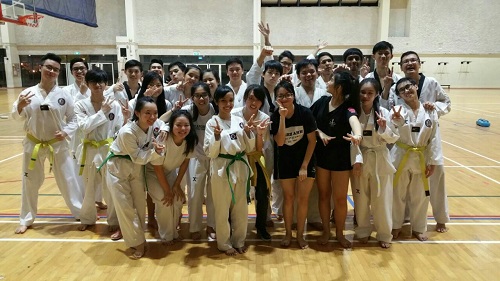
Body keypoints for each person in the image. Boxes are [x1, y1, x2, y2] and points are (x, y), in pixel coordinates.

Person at [11, 53, 83, 234]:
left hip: (57, 144)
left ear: (59, 72)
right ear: (41, 68)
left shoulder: (64, 95)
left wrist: (66, 131)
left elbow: (74, 119)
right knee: (29, 182)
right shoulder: (27, 93)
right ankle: (26, 219)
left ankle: (81, 213)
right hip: (33, 144)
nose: (52, 71)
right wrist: (19, 107)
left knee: (68, 179)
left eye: (56, 69)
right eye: (49, 67)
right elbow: (15, 116)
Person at [387, 51, 451, 233]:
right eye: (405, 61)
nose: (410, 63)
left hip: (427, 137)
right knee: (401, 188)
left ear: (419, 63)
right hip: (404, 141)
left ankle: (440, 218)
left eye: (413, 60)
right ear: (400, 66)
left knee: (433, 184)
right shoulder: (395, 87)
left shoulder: (431, 82)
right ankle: (400, 222)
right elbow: (392, 107)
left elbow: (446, 102)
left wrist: (434, 107)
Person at [105, 97, 165, 259]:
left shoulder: (154, 125)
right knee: (126, 208)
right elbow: (138, 157)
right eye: (147, 113)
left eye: (155, 113)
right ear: (137, 113)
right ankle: (137, 243)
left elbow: (164, 123)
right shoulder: (127, 132)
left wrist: (164, 131)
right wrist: (155, 152)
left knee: (139, 205)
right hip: (118, 168)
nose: (152, 117)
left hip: (136, 169)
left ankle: (139, 237)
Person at [310, 70, 362, 248]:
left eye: (332, 79)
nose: (328, 81)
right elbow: (309, 120)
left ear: (338, 88)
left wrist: (358, 135)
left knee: (340, 199)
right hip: (322, 158)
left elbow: (355, 121)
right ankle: (326, 230)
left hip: (341, 160)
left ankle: (339, 233)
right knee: (324, 196)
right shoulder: (322, 102)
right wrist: (320, 132)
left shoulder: (348, 108)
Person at [74, 69, 128, 237]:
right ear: (87, 84)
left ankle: (113, 221)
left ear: (106, 84)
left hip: (108, 150)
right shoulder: (81, 105)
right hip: (90, 150)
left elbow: (119, 129)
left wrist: (126, 119)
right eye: (93, 82)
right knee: (89, 188)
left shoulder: (115, 105)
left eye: (101, 82)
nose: (97, 85)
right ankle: (87, 218)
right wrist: (102, 112)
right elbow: (84, 127)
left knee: (111, 188)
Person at [204, 86, 255, 256]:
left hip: (240, 165)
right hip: (221, 168)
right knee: (222, 208)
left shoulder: (239, 120)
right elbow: (210, 152)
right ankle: (224, 243)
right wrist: (217, 137)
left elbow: (250, 147)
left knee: (241, 207)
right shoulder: (212, 122)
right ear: (217, 102)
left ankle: (239, 241)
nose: (228, 104)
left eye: (231, 100)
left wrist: (248, 133)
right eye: (223, 101)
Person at [390, 78, 442, 241]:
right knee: (397, 193)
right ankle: (395, 226)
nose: (406, 91)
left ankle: (419, 228)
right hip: (401, 155)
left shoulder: (430, 111)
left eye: (408, 87)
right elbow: (392, 127)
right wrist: (396, 119)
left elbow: (434, 137)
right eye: (401, 90)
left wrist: (433, 161)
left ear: (416, 86)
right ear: (399, 95)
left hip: (421, 156)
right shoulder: (397, 110)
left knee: (420, 194)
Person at [350, 78, 399, 248]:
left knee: (383, 200)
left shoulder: (384, 112)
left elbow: (393, 138)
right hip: (361, 159)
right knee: (361, 199)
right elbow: (351, 140)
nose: (365, 95)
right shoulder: (353, 113)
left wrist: (384, 128)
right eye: (362, 92)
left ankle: (385, 234)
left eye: (370, 92)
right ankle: (363, 231)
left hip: (380, 160)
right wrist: (356, 161)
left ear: (377, 94)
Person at [271, 81, 317, 249]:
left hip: (305, 160)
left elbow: (312, 141)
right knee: (288, 198)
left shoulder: (305, 113)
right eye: (280, 96)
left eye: (287, 95)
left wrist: (304, 166)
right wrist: (282, 117)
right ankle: (288, 234)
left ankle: (300, 235)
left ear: (293, 96)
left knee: (303, 199)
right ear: (276, 98)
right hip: (285, 161)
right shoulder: (275, 116)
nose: (284, 98)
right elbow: (281, 142)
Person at [146, 110, 198, 244]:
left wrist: (176, 185)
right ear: (171, 125)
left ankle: (173, 231)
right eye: (178, 125)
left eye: (186, 125)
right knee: (165, 200)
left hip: (168, 171)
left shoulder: (190, 140)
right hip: (152, 172)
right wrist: (167, 190)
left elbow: (185, 163)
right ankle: (165, 235)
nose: (182, 128)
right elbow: (157, 167)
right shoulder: (164, 138)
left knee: (177, 200)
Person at [232, 84, 273, 240]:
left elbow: (260, 147)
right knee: (236, 192)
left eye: (257, 100)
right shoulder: (234, 115)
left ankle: (261, 226)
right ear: (245, 99)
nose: (253, 102)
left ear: (262, 102)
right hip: (238, 157)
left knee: (262, 191)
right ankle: (232, 225)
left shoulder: (264, 118)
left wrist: (260, 134)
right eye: (250, 98)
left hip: (255, 156)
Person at [181, 82, 217, 240]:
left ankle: (212, 226)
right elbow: (173, 122)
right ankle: (195, 226)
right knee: (195, 194)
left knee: (213, 195)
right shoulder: (188, 111)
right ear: (192, 97)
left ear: (210, 96)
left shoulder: (215, 111)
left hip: (214, 157)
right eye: (197, 95)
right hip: (195, 158)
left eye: (204, 95)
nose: (201, 98)